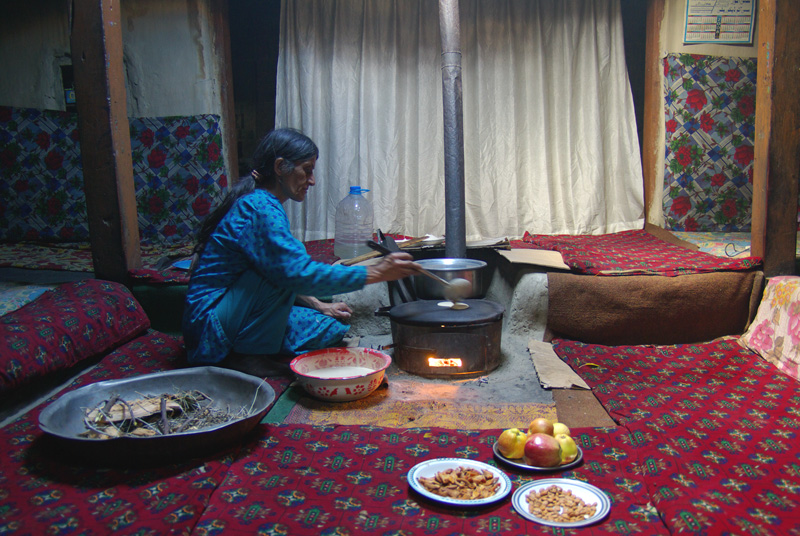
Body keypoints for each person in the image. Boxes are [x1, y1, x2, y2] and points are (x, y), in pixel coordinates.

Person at [183, 128, 419, 364]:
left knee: (328, 328)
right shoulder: (259, 208)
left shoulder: (263, 202)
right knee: (287, 262)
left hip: (240, 310)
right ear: (280, 168)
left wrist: (319, 305)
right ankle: (246, 358)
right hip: (211, 328)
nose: (312, 181)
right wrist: (377, 272)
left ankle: (253, 346)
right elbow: (295, 273)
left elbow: (286, 271)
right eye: (307, 171)